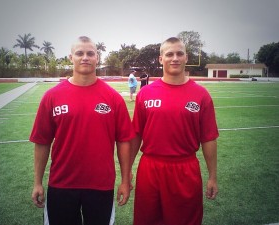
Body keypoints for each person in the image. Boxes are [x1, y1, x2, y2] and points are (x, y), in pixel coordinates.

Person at [30, 36, 135, 225]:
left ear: (97, 58)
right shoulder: (52, 96)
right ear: (71, 57)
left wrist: (125, 180)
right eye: (80, 53)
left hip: (101, 186)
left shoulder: (113, 98)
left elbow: (124, 142)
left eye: (90, 53)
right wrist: (37, 182)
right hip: (61, 184)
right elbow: (42, 141)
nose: (85, 57)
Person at [130, 37, 219, 225]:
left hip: (185, 169)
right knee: (147, 220)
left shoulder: (201, 95)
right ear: (161, 59)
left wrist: (212, 176)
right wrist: (127, 170)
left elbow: (209, 138)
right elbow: (136, 134)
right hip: (150, 168)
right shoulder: (145, 93)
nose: (175, 58)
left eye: (179, 53)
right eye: (169, 54)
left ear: (186, 57)